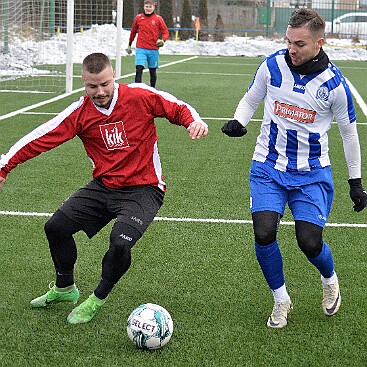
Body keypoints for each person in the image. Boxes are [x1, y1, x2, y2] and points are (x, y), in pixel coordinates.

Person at [0, 52, 208, 324]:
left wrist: (193, 121)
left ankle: (97, 298)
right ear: (83, 83)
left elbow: (178, 107)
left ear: (114, 77)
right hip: (104, 187)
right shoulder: (79, 112)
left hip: (144, 189)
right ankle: (65, 288)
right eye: (92, 86)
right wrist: (5, 166)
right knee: (56, 228)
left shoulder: (139, 96)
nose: (99, 92)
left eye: (105, 84)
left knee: (120, 244)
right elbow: (41, 136)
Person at [222, 9, 367, 328]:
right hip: (268, 167)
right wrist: (239, 121)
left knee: (309, 241)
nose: (291, 48)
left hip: (311, 174)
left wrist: (355, 182)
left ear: (319, 43)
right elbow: (250, 99)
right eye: (288, 41)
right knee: (263, 233)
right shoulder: (272, 65)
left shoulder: (335, 86)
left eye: (299, 43)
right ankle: (280, 300)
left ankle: (329, 279)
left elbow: (349, 134)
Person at [126, 0, 169, 88]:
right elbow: (133, 32)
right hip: (141, 48)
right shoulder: (138, 18)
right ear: (144, 7)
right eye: (147, 6)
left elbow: (166, 32)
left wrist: (162, 40)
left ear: (154, 7)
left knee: (152, 71)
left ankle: (152, 89)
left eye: (150, 7)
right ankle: (137, 90)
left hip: (153, 49)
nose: (148, 9)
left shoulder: (158, 18)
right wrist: (129, 44)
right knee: (139, 69)